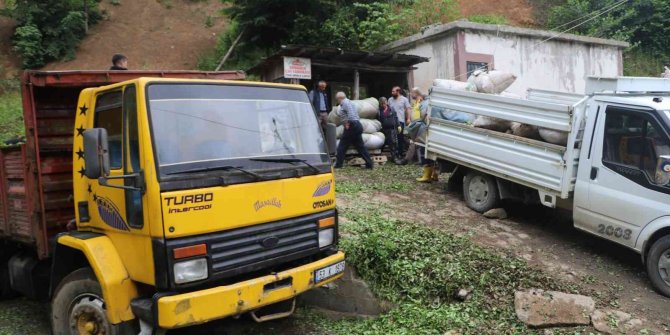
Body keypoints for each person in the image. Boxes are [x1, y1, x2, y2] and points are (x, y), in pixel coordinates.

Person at [334, 92, 373, 169]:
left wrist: (348, 123)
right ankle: (369, 164)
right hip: (357, 125)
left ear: (339, 98)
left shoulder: (345, 103)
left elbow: (351, 113)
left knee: (342, 145)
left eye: (337, 99)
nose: (337, 101)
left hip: (352, 126)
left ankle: (338, 164)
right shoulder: (350, 102)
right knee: (360, 146)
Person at [388, 86, 411, 157]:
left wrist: (408, 118)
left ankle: (400, 153)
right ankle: (394, 154)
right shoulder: (390, 100)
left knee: (400, 137)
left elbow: (408, 109)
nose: (392, 93)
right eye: (392, 91)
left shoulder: (404, 99)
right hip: (391, 122)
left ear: (398, 92)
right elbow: (388, 110)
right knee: (392, 138)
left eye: (393, 91)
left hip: (400, 122)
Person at [377, 97, 400, 162]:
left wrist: (398, 125)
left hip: (391, 129)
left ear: (386, 102)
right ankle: (378, 156)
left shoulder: (391, 109)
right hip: (383, 130)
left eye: (384, 103)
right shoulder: (379, 111)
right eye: (381, 104)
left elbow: (396, 117)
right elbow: (377, 119)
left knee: (393, 143)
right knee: (381, 143)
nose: (383, 105)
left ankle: (394, 157)